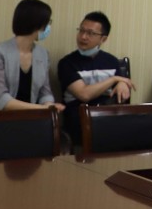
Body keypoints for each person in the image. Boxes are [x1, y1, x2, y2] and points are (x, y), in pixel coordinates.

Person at [57, 11, 136, 144]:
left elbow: (123, 92)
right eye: (81, 31)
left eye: (91, 33)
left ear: (103, 39)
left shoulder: (111, 61)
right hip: (79, 120)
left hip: (107, 118)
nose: (83, 37)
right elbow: (84, 95)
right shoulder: (67, 63)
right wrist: (114, 79)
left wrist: (123, 85)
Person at [0, 0, 62, 112]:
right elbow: (0, 98)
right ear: (36, 23)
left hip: (29, 117)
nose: (48, 27)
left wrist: (49, 105)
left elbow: (45, 92)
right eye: (48, 22)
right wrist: (41, 109)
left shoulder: (43, 54)